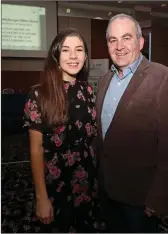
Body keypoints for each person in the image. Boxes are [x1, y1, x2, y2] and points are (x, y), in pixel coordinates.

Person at [95, 14, 168, 233]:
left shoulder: (165, 78)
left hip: (141, 197)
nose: (119, 46)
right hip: (107, 190)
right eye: (112, 39)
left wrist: (159, 198)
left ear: (141, 42)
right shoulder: (104, 80)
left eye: (126, 38)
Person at [23, 28, 105, 233]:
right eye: (66, 50)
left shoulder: (86, 90)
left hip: (87, 179)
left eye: (79, 50)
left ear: (85, 56)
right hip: (56, 183)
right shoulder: (39, 94)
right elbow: (36, 150)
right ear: (56, 54)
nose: (73, 56)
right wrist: (41, 197)